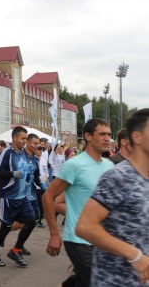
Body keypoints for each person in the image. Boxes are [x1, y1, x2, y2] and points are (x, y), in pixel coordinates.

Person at [76, 109, 149, 287]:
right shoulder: (119, 177)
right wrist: (133, 254)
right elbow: (85, 226)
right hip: (115, 280)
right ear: (137, 137)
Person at [42, 118, 114, 287]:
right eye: (102, 134)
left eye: (109, 135)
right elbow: (48, 197)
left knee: (84, 282)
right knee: (98, 282)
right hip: (78, 239)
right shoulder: (74, 165)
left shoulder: (109, 166)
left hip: (102, 239)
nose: (107, 139)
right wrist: (53, 233)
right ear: (88, 136)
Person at [0, 126, 35, 267]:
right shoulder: (7, 152)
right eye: (23, 138)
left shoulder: (22, 152)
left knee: (31, 221)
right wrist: (13, 174)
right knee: (5, 228)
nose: (25, 141)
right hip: (8, 196)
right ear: (15, 138)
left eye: (26, 138)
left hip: (22, 196)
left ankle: (16, 250)